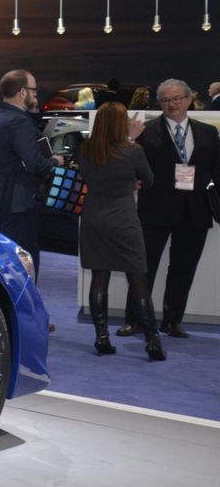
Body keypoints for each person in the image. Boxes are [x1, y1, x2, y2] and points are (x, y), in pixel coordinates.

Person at [120, 79, 218, 339]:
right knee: (143, 268)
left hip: (195, 211)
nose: (172, 104)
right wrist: (130, 139)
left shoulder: (208, 133)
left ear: (188, 100)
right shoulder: (146, 131)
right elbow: (126, 164)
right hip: (155, 209)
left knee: (183, 269)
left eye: (176, 99)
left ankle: (173, 321)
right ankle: (135, 320)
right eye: (165, 100)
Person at [78, 103, 163, 361]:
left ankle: (102, 338)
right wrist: (131, 179)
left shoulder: (86, 149)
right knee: (138, 280)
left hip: (93, 220)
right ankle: (152, 342)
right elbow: (149, 180)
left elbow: (89, 178)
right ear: (121, 123)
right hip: (124, 221)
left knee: (99, 277)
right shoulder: (133, 150)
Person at [0, 69, 61, 273]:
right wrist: (56, 161)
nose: (36, 94)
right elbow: (35, 164)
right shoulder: (19, 121)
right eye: (34, 90)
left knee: (6, 260)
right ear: (22, 92)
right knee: (24, 261)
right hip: (20, 203)